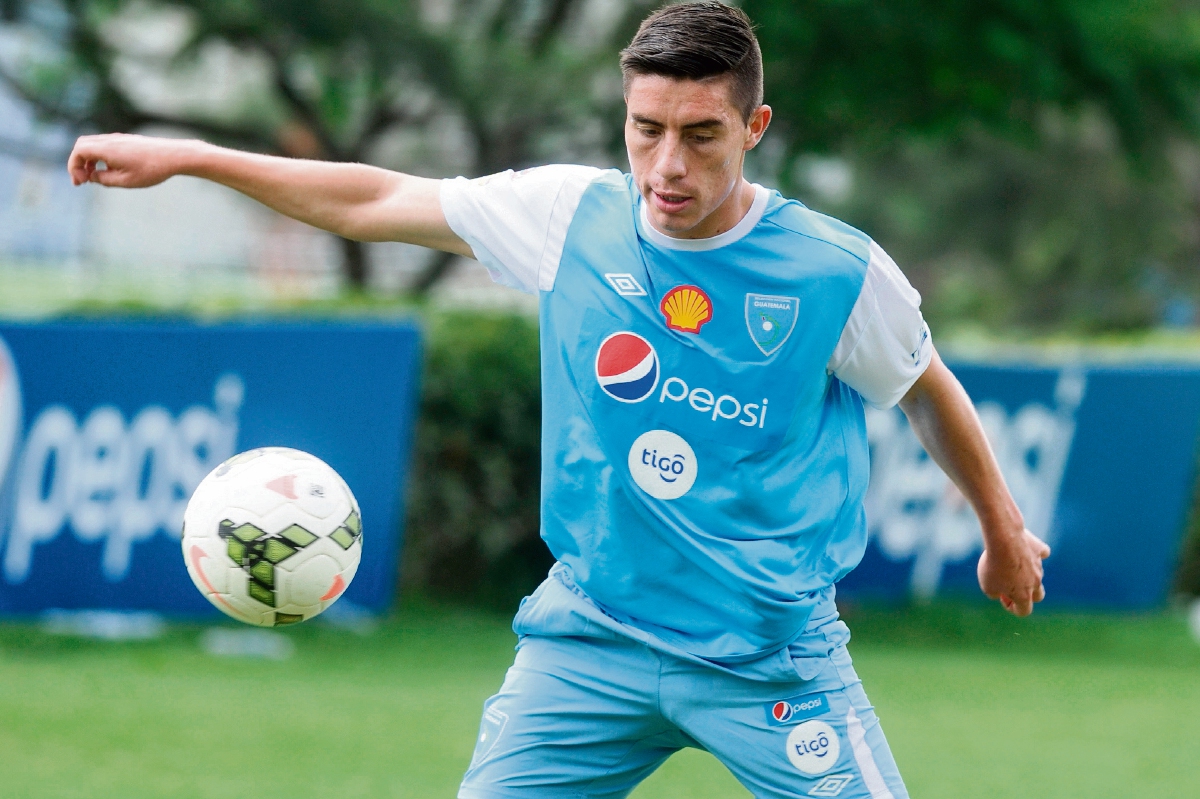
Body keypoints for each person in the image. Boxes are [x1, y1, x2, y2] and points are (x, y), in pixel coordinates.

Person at [67, 3, 1049, 797]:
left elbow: (928, 390)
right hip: (590, 642)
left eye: (702, 136)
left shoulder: (835, 272)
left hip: (770, 660)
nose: (668, 166)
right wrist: (192, 156)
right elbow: (372, 200)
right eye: (646, 130)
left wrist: (1002, 530)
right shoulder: (568, 216)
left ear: (753, 128)